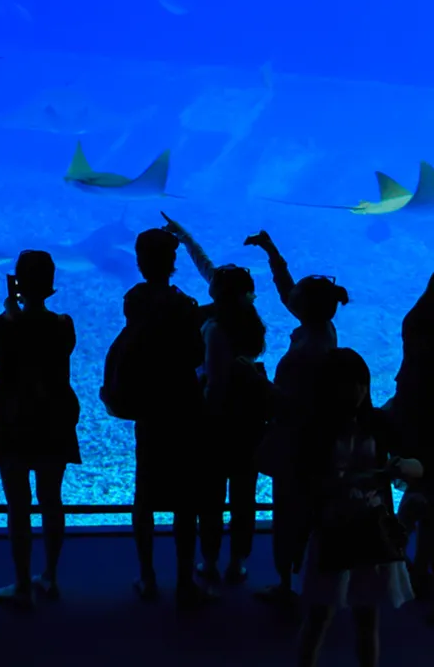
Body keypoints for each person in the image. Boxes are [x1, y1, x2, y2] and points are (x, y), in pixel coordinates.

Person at [164, 217, 273, 590]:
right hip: (249, 425)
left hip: (218, 423)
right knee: (244, 495)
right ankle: (238, 562)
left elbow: (215, 381)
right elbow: (210, 270)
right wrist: (186, 236)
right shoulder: (248, 320)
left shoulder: (214, 328)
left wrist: (203, 416)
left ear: (216, 294)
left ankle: (210, 561)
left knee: (210, 496)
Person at [292, 349, 420, 667]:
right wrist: (367, 478)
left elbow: (419, 465)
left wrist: (401, 465)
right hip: (331, 528)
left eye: (360, 384)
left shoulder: (377, 423)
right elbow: (309, 483)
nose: (357, 392)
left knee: (367, 618)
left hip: (370, 531)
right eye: (348, 385)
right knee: (320, 614)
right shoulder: (314, 429)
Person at [105, 226, 209, 604]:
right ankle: (184, 579)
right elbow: (196, 355)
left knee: (145, 495)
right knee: (186, 500)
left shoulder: (134, 300)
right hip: (182, 406)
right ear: (173, 261)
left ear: (139, 261)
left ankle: (147, 576)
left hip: (149, 408)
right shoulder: (184, 306)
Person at [249, 232, 350, 602]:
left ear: (304, 306)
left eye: (298, 297)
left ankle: (288, 585)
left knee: (290, 512)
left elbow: (291, 403)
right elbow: (287, 291)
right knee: (307, 512)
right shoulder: (321, 327)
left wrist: (257, 380)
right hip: (313, 441)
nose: (290, 298)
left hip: (296, 444)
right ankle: (307, 580)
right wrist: (272, 251)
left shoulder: (309, 350)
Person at [0, 250, 79, 609]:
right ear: (51, 284)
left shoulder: (3, 324)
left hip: (13, 421)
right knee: (51, 500)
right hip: (53, 419)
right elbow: (51, 345)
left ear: (18, 282)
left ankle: (22, 583)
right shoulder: (64, 325)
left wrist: (11, 311)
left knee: (18, 504)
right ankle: (50, 575)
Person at [385, 272, 434, 597]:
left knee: (417, 489)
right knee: (426, 493)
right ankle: (414, 564)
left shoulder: (417, 319)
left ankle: (397, 559)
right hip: (423, 415)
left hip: (411, 412)